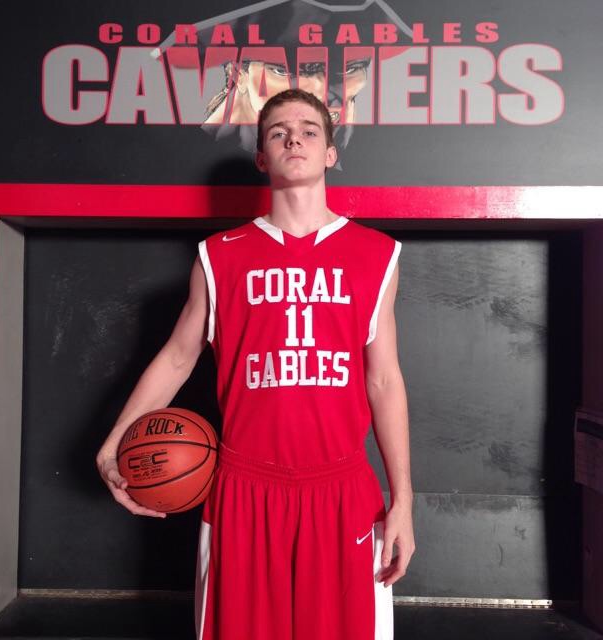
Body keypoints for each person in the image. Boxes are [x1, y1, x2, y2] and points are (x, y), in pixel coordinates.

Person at [96, 88, 414, 640]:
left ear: (330, 154)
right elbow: (176, 358)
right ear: (263, 158)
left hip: (342, 491)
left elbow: (384, 379)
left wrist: (403, 500)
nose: (295, 137)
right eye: (278, 131)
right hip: (243, 489)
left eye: (310, 130)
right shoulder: (219, 254)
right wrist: (114, 440)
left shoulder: (377, 253)